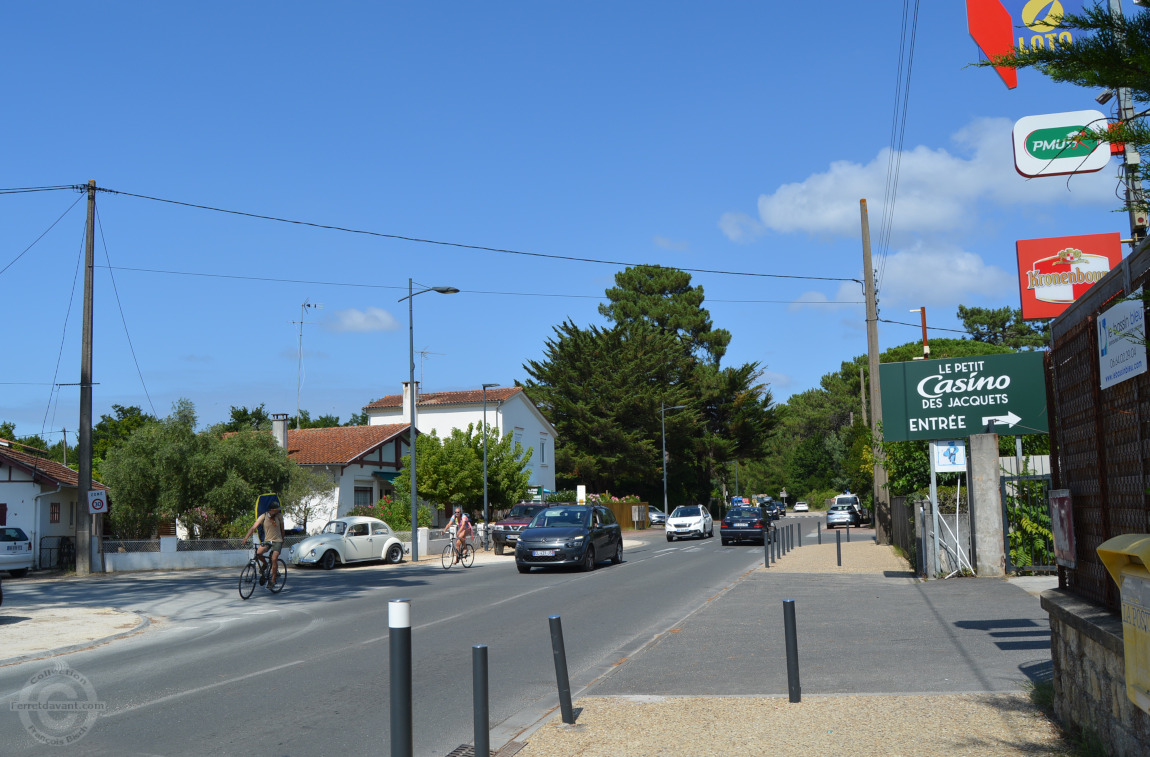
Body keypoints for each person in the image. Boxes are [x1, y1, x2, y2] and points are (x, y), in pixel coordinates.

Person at [242, 501, 285, 585]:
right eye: (276, 510)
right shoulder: (263, 516)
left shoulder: (279, 516)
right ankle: (265, 564)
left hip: (278, 540)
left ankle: (273, 580)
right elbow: (253, 527)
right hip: (268, 540)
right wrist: (246, 538)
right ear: (272, 510)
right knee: (258, 553)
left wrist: (282, 541)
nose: (278, 511)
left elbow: (282, 530)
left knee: (274, 559)